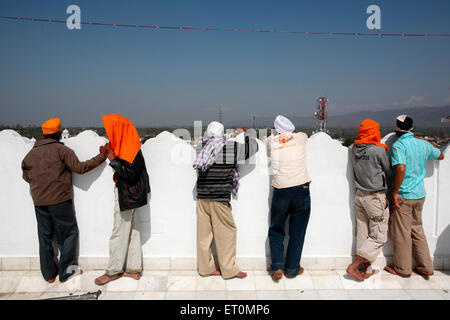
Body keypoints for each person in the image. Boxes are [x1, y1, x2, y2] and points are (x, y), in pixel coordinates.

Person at [21, 117, 106, 283]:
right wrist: (101, 156)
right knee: (67, 235)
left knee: (44, 237)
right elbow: (80, 168)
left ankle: (49, 274)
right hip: (59, 200)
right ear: (59, 133)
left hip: (39, 202)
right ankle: (66, 272)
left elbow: (26, 176)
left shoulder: (30, 154)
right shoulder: (62, 150)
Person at [194, 121, 258, 280]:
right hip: (219, 198)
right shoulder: (230, 148)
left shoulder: (201, 147)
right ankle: (229, 270)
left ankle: (205, 268)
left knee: (204, 236)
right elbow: (253, 148)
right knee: (226, 233)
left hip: (202, 197)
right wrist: (247, 131)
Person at [384, 115, 444, 279]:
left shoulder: (399, 146)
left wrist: (395, 192)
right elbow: (441, 155)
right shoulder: (422, 144)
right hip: (419, 195)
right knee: (417, 229)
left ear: (397, 128)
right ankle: (425, 266)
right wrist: (424, 141)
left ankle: (403, 269)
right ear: (411, 128)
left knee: (402, 233)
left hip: (404, 195)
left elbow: (401, 169)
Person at [95, 114, 150, 285]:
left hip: (127, 195)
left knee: (119, 232)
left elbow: (130, 174)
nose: (108, 134)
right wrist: (110, 155)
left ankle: (113, 271)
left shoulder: (130, 149)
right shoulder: (128, 146)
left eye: (110, 131)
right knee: (133, 230)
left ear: (119, 131)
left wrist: (112, 160)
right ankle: (134, 269)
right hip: (133, 195)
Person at [266, 115, 311, 281]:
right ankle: (292, 269)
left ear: (276, 130)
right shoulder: (301, 138)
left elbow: (272, 137)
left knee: (277, 229)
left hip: (281, 190)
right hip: (301, 188)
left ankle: (277, 266)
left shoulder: (271, 141)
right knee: (297, 232)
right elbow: (302, 135)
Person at [346, 119, 391, 281]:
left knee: (363, 232)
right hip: (374, 197)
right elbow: (388, 170)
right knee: (378, 236)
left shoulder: (353, 148)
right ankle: (354, 266)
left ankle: (366, 268)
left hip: (359, 195)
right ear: (374, 132)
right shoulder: (378, 151)